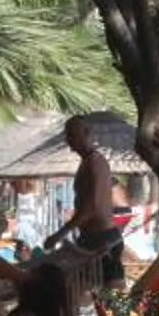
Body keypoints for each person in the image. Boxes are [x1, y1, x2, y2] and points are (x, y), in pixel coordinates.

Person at [60, 116, 126, 293]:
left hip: (104, 241)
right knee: (73, 294)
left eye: (73, 135)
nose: (69, 140)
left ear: (87, 134)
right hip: (89, 240)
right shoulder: (86, 163)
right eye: (67, 135)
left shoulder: (96, 162)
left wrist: (62, 231)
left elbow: (93, 206)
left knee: (114, 303)